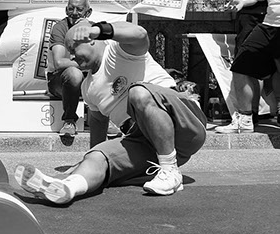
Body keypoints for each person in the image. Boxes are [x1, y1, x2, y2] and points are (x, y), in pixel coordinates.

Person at [15, 20, 207, 203]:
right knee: (97, 157)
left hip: (185, 125)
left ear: (91, 40)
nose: (71, 57)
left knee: (138, 93)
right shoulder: (87, 88)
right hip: (145, 142)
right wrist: (88, 159)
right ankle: (66, 188)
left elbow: (140, 34)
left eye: (73, 49)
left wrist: (98, 30)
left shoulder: (119, 51)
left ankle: (169, 170)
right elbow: (98, 123)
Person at [46, 0, 91, 138]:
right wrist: (86, 64)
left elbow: (101, 60)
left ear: (88, 12)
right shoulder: (60, 28)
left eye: (79, 9)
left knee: (103, 73)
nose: (74, 13)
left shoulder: (94, 29)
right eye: (71, 9)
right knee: (74, 73)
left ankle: (106, 119)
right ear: (66, 10)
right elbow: (59, 63)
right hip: (59, 81)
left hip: (85, 82)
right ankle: (69, 121)